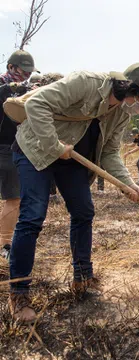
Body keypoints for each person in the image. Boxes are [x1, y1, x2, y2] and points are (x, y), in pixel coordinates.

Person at [7, 63, 139, 324]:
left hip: (70, 159)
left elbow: (110, 152)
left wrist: (126, 183)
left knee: (83, 211)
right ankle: (19, 293)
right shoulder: (85, 82)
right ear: (131, 89)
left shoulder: (122, 113)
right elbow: (37, 106)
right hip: (35, 148)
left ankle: (82, 278)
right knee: (33, 215)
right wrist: (55, 146)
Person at [0, 50, 38, 260]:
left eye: (29, 73)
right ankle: (5, 245)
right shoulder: (5, 87)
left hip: (14, 147)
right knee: (13, 198)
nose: (26, 76)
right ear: (11, 67)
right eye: (23, 71)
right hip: (5, 148)